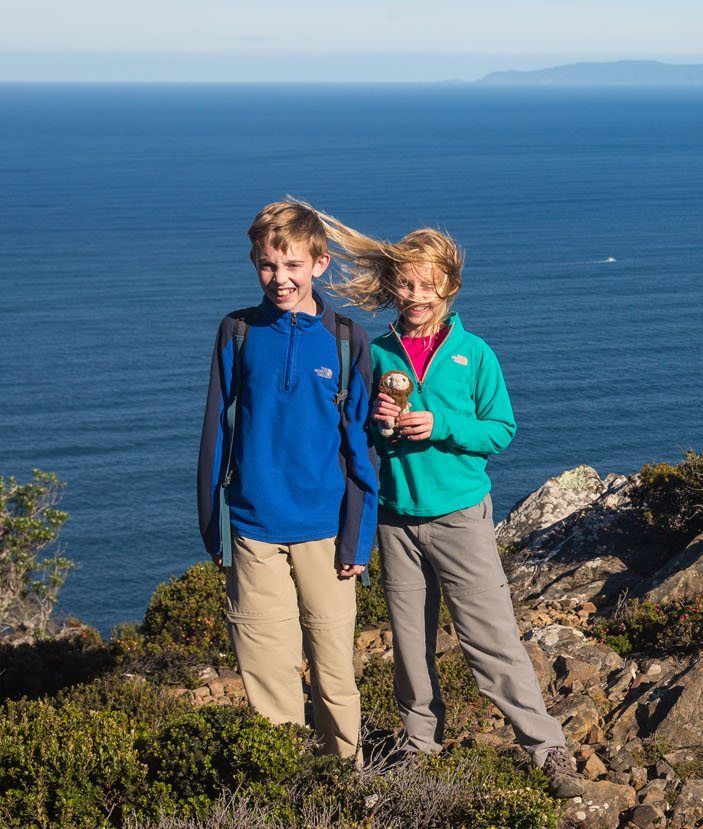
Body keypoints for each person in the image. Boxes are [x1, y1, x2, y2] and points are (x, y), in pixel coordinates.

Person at [314, 205, 583, 797]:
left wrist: (440, 424)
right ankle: (418, 746)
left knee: (490, 638)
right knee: (410, 645)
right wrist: (380, 424)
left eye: (427, 284)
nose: (415, 294)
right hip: (394, 517)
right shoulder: (374, 351)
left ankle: (546, 747)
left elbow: (502, 431)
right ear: (392, 286)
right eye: (404, 283)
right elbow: (358, 430)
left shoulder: (474, 353)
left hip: (460, 516)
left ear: (449, 286)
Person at [197, 201, 378, 759]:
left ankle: (345, 786)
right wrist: (214, 532)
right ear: (256, 264)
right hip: (252, 528)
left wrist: (358, 537)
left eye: (293, 265)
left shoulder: (348, 341)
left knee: (335, 674)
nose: (280, 278)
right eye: (268, 266)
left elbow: (362, 449)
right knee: (267, 677)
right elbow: (214, 438)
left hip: (326, 533)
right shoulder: (238, 333)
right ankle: (285, 791)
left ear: (320, 264)